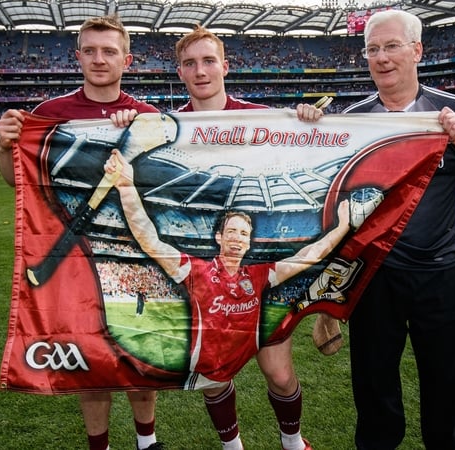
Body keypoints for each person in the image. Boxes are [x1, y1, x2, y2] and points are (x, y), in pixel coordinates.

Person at [298, 9, 455, 449]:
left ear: (416, 50)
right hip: (374, 279)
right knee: (374, 398)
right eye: (372, 49)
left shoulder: (453, 111)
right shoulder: (352, 122)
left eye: (392, 46)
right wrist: (306, 131)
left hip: (439, 275)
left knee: (446, 391)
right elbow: (321, 205)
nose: (381, 57)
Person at [105, 146, 350, 450]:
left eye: (243, 233)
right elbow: (149, 239)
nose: (237, 238)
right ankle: (232, 446)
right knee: (217, 382)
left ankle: (294, 443)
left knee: (283, 377)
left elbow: (308, 256)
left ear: (249, 242)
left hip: (250, 340)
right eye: (231, 231)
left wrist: (341, 227)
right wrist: (127, 188)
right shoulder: (194, 270)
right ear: (219, 237)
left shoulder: (259, 275)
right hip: (212, 359)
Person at [0, 15, 164, 450]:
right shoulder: (48, 115)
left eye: (109, 51)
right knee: (91, 360)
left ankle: (148, 442)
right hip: (73, 258)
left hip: (130, 253)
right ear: (77, 57)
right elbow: (15, 180)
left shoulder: (146, 117)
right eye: (90, 51)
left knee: (136, 353)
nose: (99, 59)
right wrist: (5, 145)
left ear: (127, 60)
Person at [171, 25, 317, 450]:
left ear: (225, 66)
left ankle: (292, 442)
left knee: (279, 370)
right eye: (190, 63)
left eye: (209, 60)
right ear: (180, 72)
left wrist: (307, 122)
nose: (201, 71)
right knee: (213, 374)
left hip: (260, 261)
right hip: (208, 265)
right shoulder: (169, 128)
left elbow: (311, 158)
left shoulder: (262, 119)